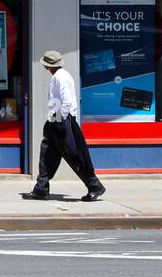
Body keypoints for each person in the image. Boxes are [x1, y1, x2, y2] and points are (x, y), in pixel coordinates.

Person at [24, 49, 106, 202]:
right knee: (47, 155)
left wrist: (59, 120)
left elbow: (67, 101)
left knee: (74, 156)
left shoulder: (59, 78)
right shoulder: (63, 75)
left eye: (46, 65)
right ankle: (41, 189)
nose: (45, 67)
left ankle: (95, 186)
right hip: (58, 120)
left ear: (49, 65)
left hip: (60, 121)